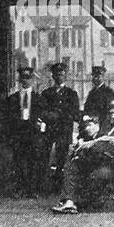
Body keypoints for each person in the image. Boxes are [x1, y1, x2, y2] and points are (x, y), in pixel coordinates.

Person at [51, 101, 114, 214]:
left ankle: (75, 201)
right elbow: (100, 139)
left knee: (91, 170)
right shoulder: (110, 126)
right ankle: (69, 201)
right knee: (74, 164)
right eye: (111, 113)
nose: (113, 116)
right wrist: (88, 143)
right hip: (100, 160)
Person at [40, 62, 81, 194]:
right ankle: (45, 187)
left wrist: (58, 116)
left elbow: (74, 113)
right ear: (52, 76)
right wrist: (49, 116)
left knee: (62, 158)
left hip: (64, 130)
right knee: (46, 157)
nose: (59, 77)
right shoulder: (46, 93)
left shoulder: (71, 94)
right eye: (57, 74)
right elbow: (42, 110)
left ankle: (60, 187)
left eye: (62, 74)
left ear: (66, 76)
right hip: (50, 130)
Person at [6, 66, 47, 196]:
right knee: (19, 162)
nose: (26, 81)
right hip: (18, 134)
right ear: (19, 79)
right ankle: (20, 189)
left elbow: (43, 116)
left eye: (28, 78)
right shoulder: (12, 99)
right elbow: (8, 117)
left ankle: (32, 190)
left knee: (33, 162)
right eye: (23, 77)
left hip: (33, 134)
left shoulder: (39, 99)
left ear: (32, 80)